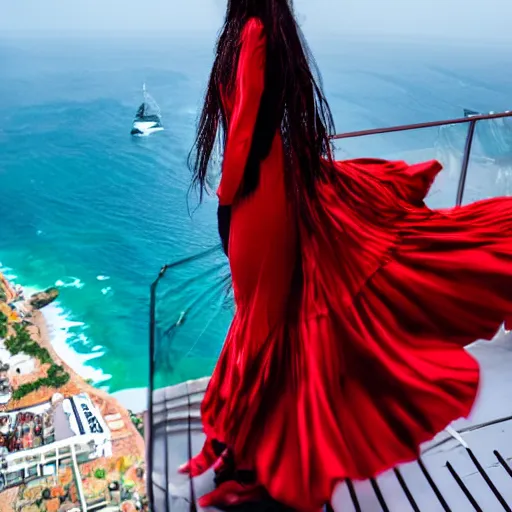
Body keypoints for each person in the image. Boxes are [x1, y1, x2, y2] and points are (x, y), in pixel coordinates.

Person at [184, 0, 512, 510]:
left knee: (261, 323)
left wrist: (224, 200)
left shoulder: (251, 30)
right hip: (266, 190)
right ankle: (251, 446)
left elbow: (245, 129)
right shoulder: (261, 29)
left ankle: (260, 457)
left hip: (257, 198)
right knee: (266, 322)